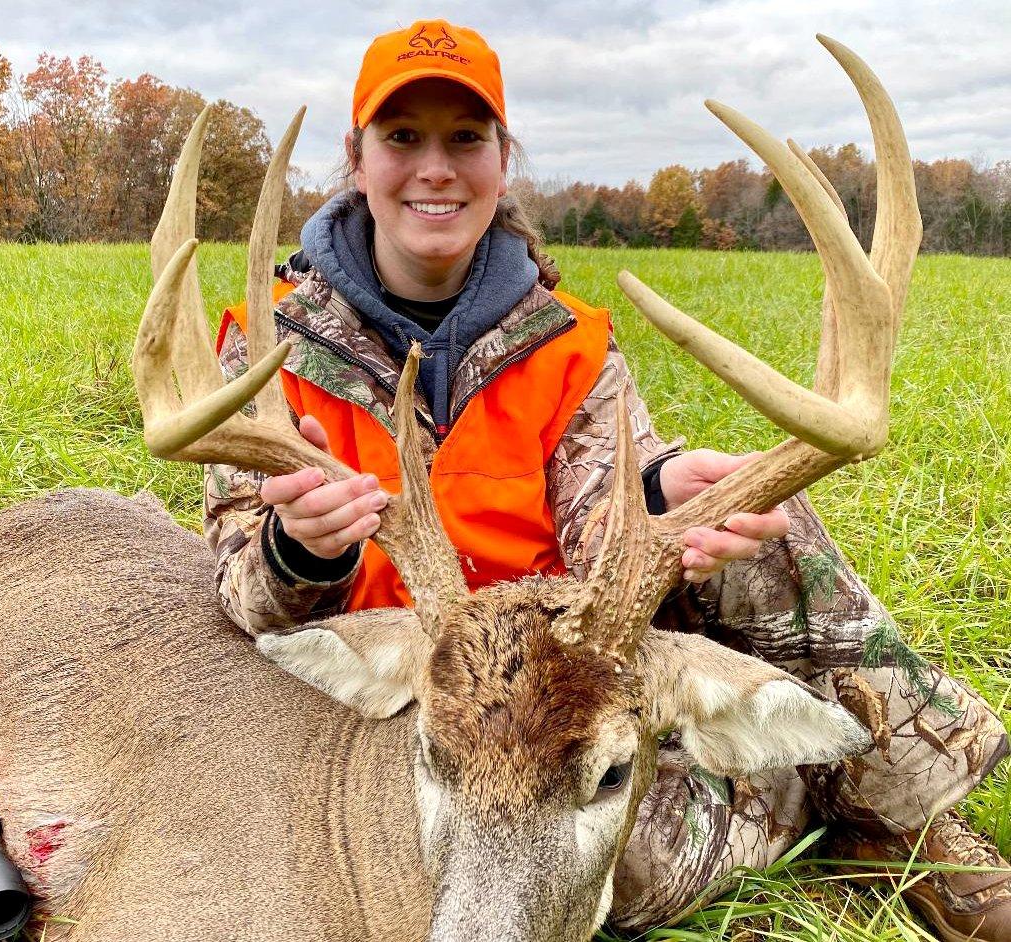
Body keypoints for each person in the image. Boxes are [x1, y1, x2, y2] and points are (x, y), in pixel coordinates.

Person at [203, 20, 1010, 939]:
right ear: (357, 159)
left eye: (466, 139)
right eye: (403, 138)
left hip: (569, 662)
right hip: (412, 671)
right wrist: (296, 550)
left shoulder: (568, 341)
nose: (436, 168)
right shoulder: (268, 350)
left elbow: (601, 502)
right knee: (639, 871)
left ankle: (914, 827)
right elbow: (242, 598)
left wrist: (663, 492)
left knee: (756, 520)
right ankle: (808, 789)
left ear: (503, 162)